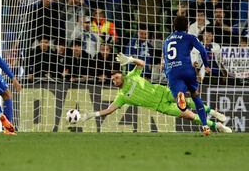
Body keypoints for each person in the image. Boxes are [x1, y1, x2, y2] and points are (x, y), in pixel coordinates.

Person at [81, 53, 231, 133]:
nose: (115, 80)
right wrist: (91, 115)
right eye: (113, 80)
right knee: (190, 116)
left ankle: (212, 112)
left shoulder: (132, 76)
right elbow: (109, 110)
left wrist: (131, 59)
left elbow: (142, 64)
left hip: (163, 92)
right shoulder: (121, 97)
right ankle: (217, 126)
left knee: (186, 100)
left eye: (117, 77)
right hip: (161, 107)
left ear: (122, 74)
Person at [163, 16, 211, 136]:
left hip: (172, 71)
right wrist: (206, 65)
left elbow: (165, 59)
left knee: (179, 98)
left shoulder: (167, 40)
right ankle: (205, 126)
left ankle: (180, 94)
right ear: (187, 26)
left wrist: (168, 74)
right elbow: (203, 51)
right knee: (195, 95)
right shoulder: (189, 37)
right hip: (187, 69)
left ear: (174, 26)